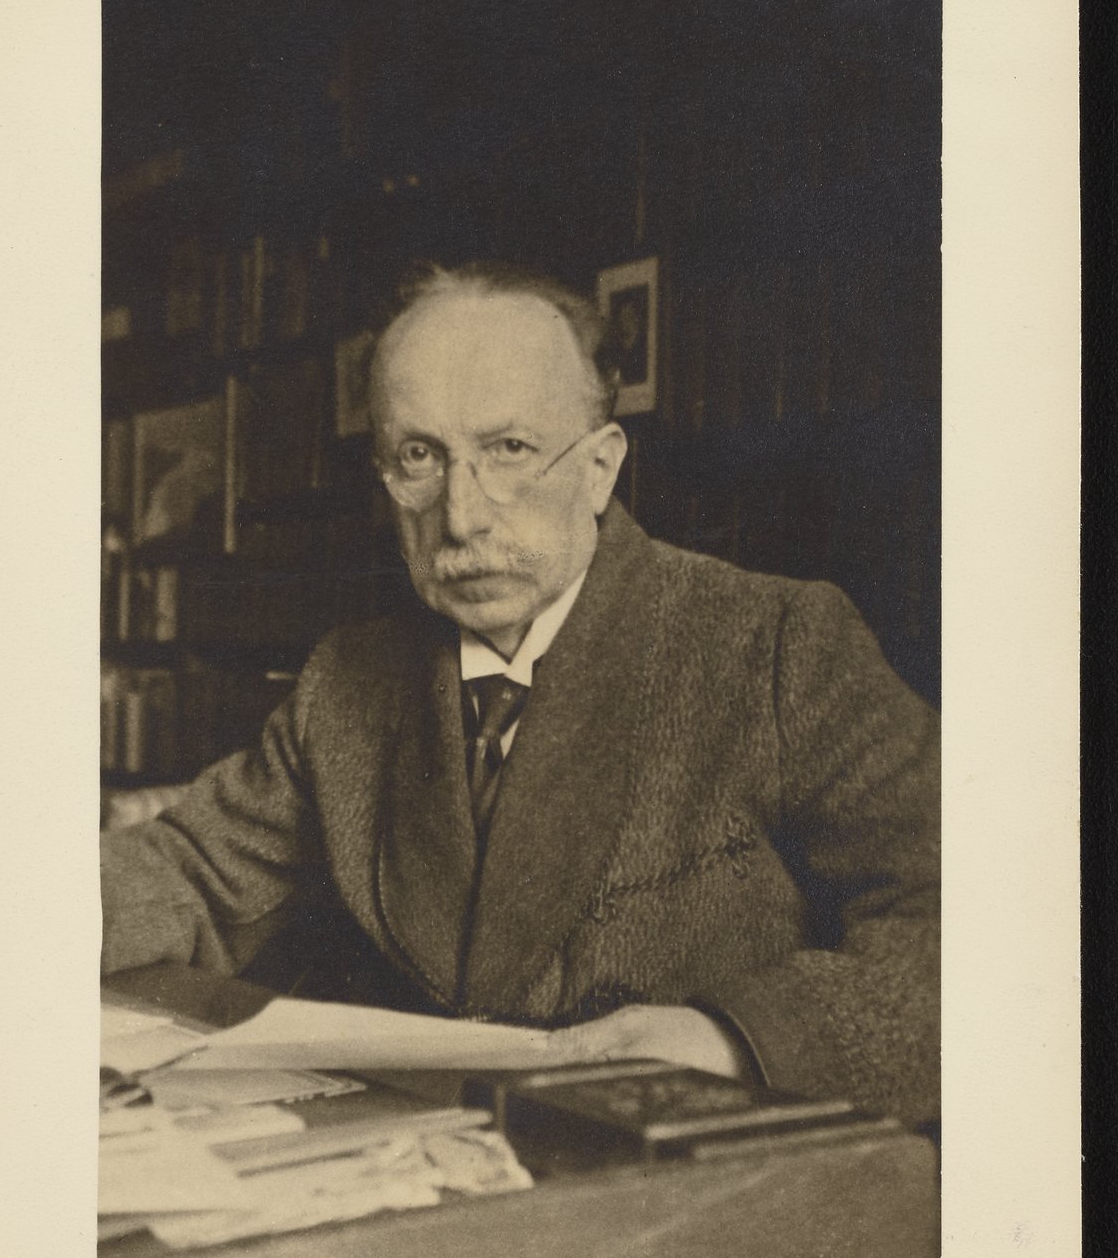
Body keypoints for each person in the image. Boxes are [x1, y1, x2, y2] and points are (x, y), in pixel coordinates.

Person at [101, 262, 940, 1124]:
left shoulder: (775, 646)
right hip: (437, 1157)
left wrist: (733, 1039)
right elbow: (190, 875)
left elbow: (968, 922)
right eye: (420, 456)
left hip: (695, 1161)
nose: (462, 516)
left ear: (600, 468)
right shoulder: (349, 683)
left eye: (510, 450)